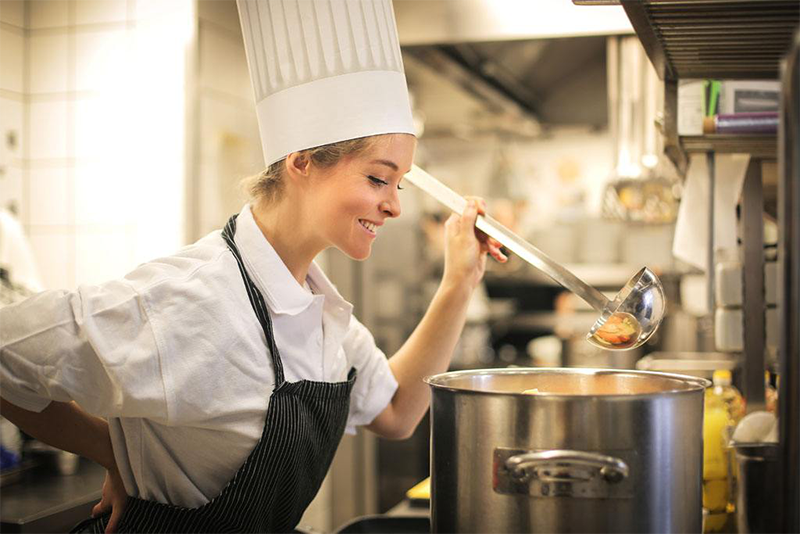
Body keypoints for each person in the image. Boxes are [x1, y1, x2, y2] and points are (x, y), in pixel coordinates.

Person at [0, 1, 506, 533]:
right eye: (379, 179)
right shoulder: (192, 299)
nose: (395, 205)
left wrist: (460, 280)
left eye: (399, 183)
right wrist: (115, 452)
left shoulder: (319, 309)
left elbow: (399, 410)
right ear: (302, 162)